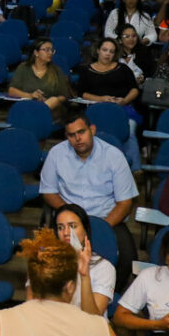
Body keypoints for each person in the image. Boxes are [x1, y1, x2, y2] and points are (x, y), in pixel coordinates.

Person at [40, 112, 139, 287]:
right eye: (72, 135)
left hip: (107, 219)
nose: (78, 138)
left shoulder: (114, 156)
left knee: (127, 258)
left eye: (81, 132)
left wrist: (102, 228)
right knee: (44, 257)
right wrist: (71, 217)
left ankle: (107, 295)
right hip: (69, 218)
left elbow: (125, 203)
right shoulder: (56, 154)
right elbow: (49, 192)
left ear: (92, 130)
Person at [7, 38, 71, 111]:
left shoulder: (56, 70)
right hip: (27, 105)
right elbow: (11, 91)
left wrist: (53, 100)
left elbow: (64, 96)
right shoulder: (23, 68)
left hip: (50, 108)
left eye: (52, 50)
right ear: (36, 52)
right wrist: (30, 96)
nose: (50, 53)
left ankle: (40, 112)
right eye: (46, 50)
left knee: (54, 101)